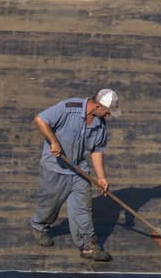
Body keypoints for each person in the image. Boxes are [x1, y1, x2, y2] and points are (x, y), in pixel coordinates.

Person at [29, 88, 120, 262]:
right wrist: (54, 142)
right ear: (98, 106)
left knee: (83, 209)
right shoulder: (68, 108)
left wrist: (102, 178)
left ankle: (88, 245)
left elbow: (96, 152)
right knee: (49, 205)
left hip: (80, 170)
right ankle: (39, 226)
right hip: (55, 167)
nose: (108, 116)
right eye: (107, 111)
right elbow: (40, 119)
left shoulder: (100, 125)